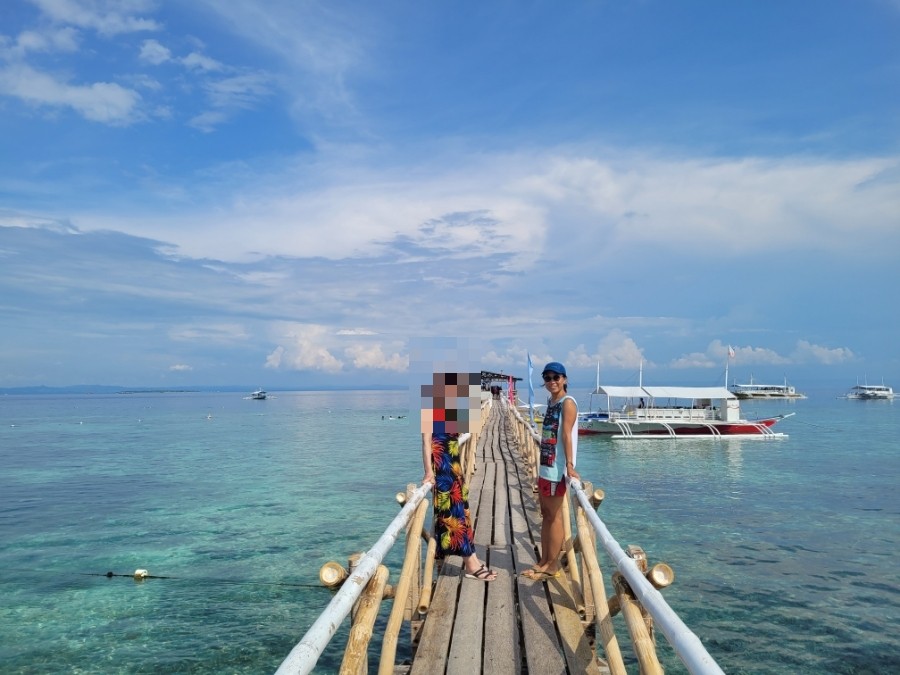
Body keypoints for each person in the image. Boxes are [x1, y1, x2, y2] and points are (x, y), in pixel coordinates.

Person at [421, 372, 496, 581]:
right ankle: (471, 564)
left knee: (462, 512)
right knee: (453, 515)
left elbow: (469, 425)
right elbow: (426, 443)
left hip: (454, 466)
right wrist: (428, 471)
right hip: (441, 467)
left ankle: (471, 560)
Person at [522, 361, 580, 581]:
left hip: (557, 470)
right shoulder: (552, 401)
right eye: (547, 378)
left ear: (564, 379)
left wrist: (570, 466)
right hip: (546, 467)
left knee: (554, 517)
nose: (552, 381)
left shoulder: (567, 403)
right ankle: (543, 561)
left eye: (556, 377)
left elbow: (566, 435)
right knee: (546, 515)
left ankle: (553, 564)